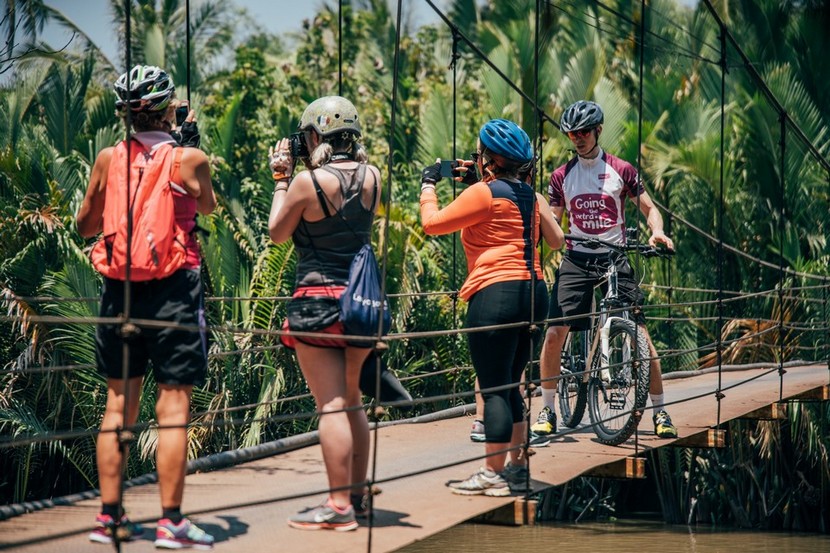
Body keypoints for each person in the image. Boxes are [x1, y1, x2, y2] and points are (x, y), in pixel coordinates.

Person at [76, 65, 216, 548]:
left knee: (118, 405)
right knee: (173, 407)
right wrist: (186, 141)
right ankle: (171, 522)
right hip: (174, 289)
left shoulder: (108, 158)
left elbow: (85, 225)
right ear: (168, 107)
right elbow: (208, 207)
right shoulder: (188, 159)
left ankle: (109, 517)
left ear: (126, 114)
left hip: (120, 290)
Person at [420, 119, 564, 496]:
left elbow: (432, 224)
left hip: (494, 295)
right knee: (512, 385)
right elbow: (555, 239)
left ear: (488, 159)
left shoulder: (484, 193)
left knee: (496, 389)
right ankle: (517, 468)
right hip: (534, 294)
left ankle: (491, 474)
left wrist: (427, 186)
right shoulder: (531, 196)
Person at [531, 100, 678, 440]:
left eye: (583, 132)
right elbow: (554, 218)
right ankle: (548, 409)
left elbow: (649, 208)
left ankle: (660, 412)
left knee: (642, 337)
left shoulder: (621, 170)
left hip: (615, 258)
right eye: (571, 133)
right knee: (555, 333)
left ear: (597, 131)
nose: (577, 138)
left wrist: (657, 230)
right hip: (577, 259)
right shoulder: (561, 176)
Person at [267, 96, 381, 530]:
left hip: (316, 303)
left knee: (330, 405)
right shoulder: (373, 176)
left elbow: (278, 233)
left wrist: (281, 179)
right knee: (352, 400)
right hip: (360, 304)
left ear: (314, 136)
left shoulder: (308, 183)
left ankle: (337, 508)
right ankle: (357, 496)